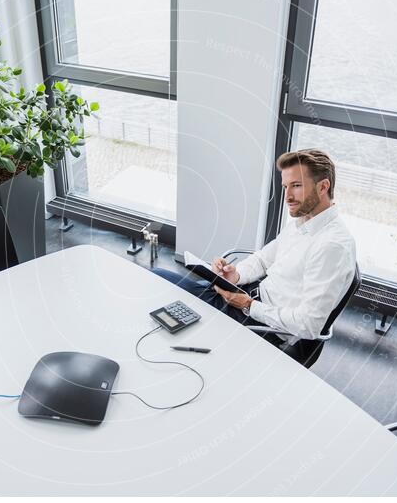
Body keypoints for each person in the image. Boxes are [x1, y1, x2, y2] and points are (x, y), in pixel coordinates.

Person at [153, 149, 357, 352]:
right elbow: (262, 260)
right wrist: (237, 275)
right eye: (285, 186)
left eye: (296, 186)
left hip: (260, 325)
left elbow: (308, 325)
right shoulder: (304, 221)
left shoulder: (332, 247)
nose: (287, 197)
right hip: (248, 296)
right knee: (158, 281)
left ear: (323, 187)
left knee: (161, 288)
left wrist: (248, 306)